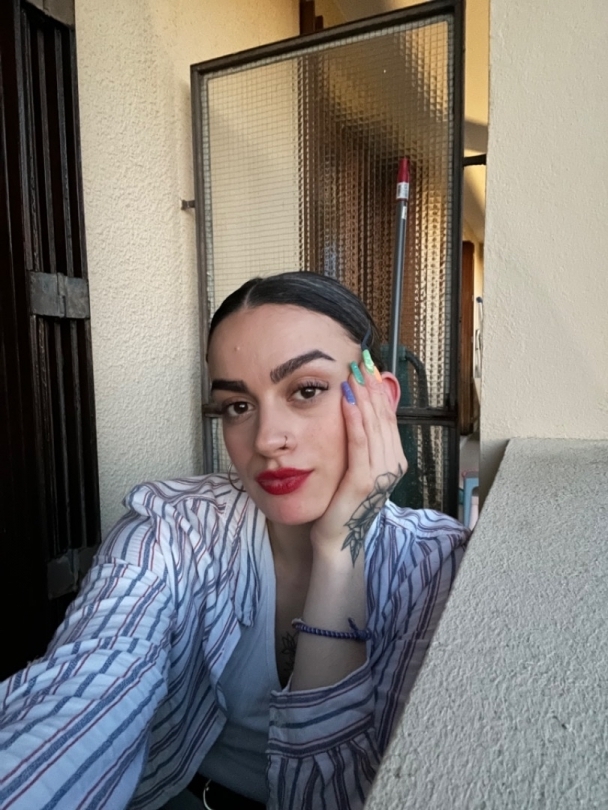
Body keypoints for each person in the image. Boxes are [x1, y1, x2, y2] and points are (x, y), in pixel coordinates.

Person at [0, 272, 468, 810]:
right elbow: (82, 694)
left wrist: (342, 552)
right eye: (238, 406)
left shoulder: (440, 571)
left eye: (307, 390)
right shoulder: (175, 529)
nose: (266, 440)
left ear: (378, 399)